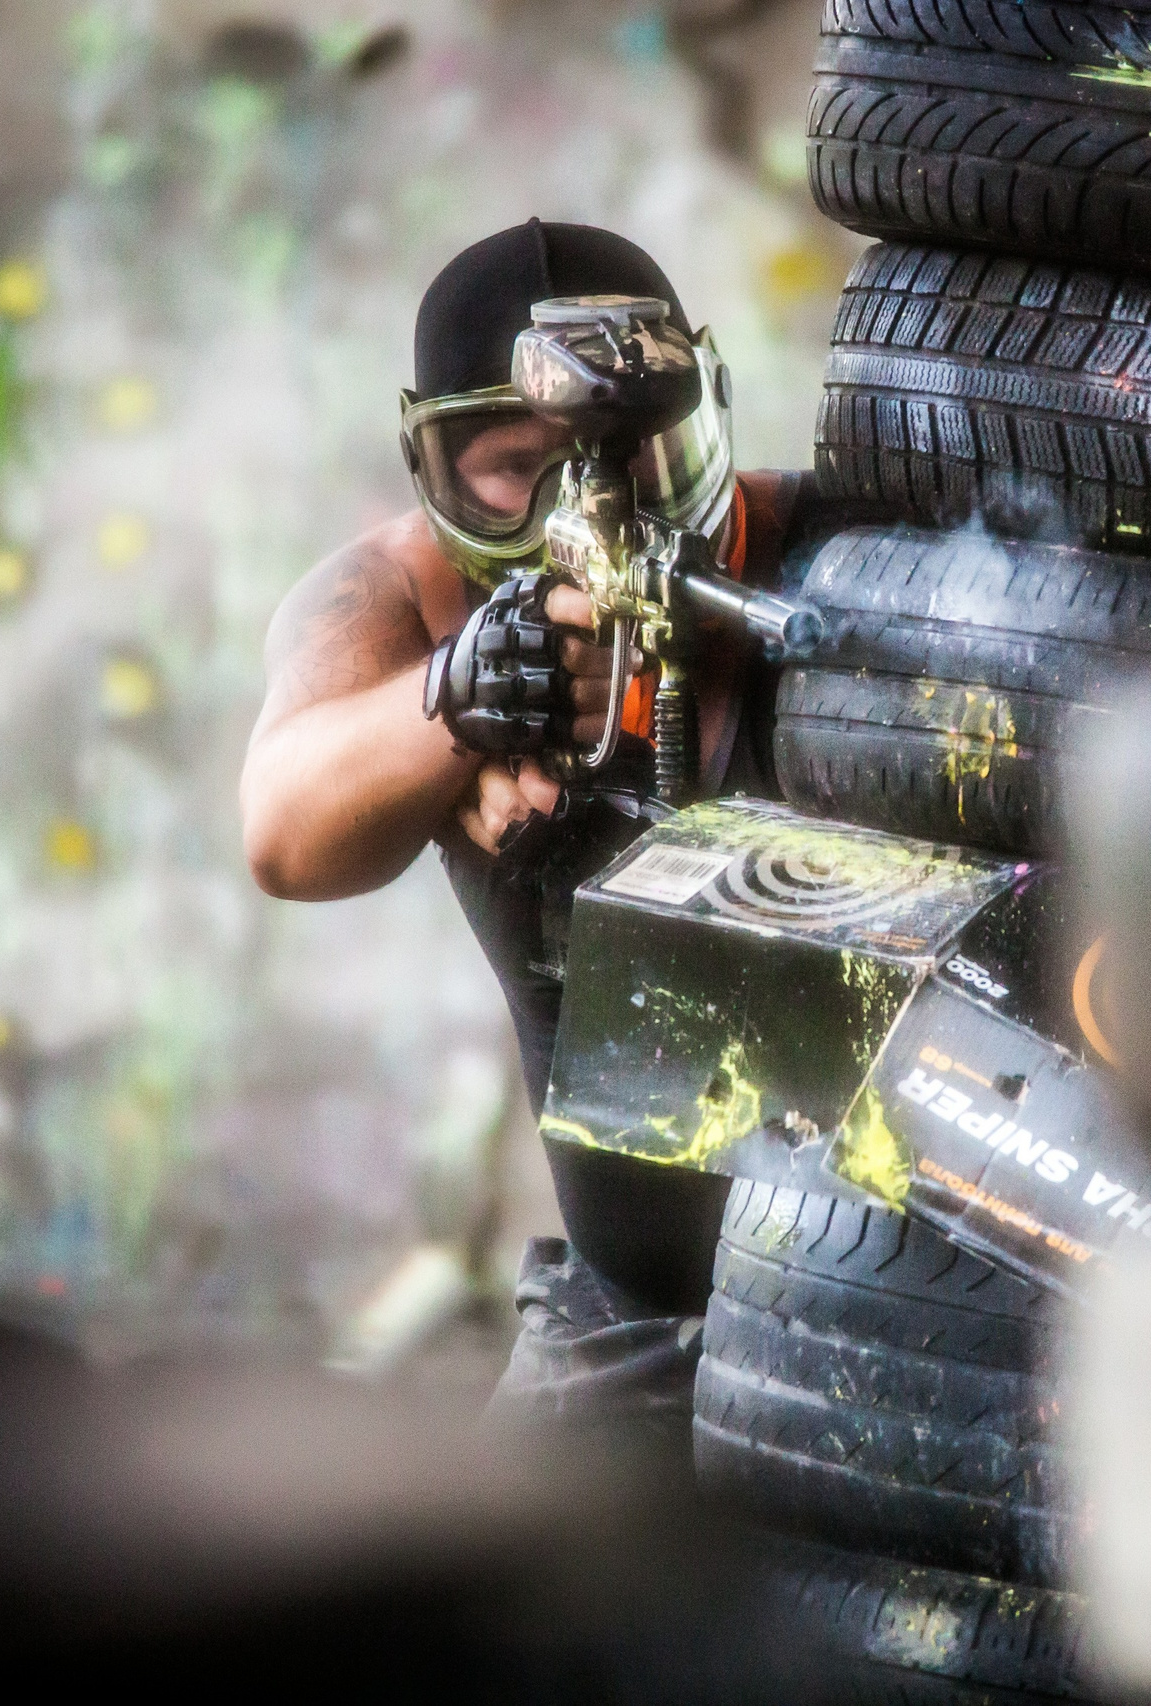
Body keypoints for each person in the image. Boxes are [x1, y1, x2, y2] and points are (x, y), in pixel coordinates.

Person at [240, 220, 826, 1434]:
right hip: (626, 1315)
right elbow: (285, 833)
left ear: (705, 409)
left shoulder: (823, 552)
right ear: (437, 467)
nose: (584, 497)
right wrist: (455, 698)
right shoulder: (415, 591)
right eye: (517, 464)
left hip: (886, 1281)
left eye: (621, 450)